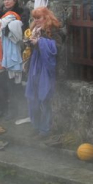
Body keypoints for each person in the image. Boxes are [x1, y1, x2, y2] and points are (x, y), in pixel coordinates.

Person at [24, 7, 61, 138]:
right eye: (34, 18)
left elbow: (58, 47)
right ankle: (37, 126)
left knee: (44, 98)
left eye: (38, 18)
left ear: (46, 17)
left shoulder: (53, 29)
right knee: (33, 98)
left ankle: (44, 129)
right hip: (35, 65)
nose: (36, 20)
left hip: (46, 67)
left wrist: (40, 42)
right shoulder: (35, 30)